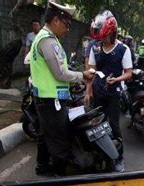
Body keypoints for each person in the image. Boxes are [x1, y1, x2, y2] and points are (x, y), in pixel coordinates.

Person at [30, 1, 95, 176]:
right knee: (59, 140)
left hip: (45, 98)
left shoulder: (44, 38)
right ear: (56, 21)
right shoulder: (47, 40)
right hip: (51, 100)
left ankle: (42, 166)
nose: (67, 29)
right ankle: (60, 178)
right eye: (66, 24)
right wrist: (83, 75)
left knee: (46, 134)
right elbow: (60, 74)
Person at [84, 10, 133, 172]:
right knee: (98, 125)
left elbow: (128, 73)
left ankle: (119, 157)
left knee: (113, 125)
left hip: (113, 94)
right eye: (100, 37)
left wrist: (117, 79)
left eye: (104, 36)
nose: (101, 40)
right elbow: (91, 71)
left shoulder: (123, 49)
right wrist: (88, 91)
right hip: (98, 92)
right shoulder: (95, 48)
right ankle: (101, 154)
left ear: (112, 33)